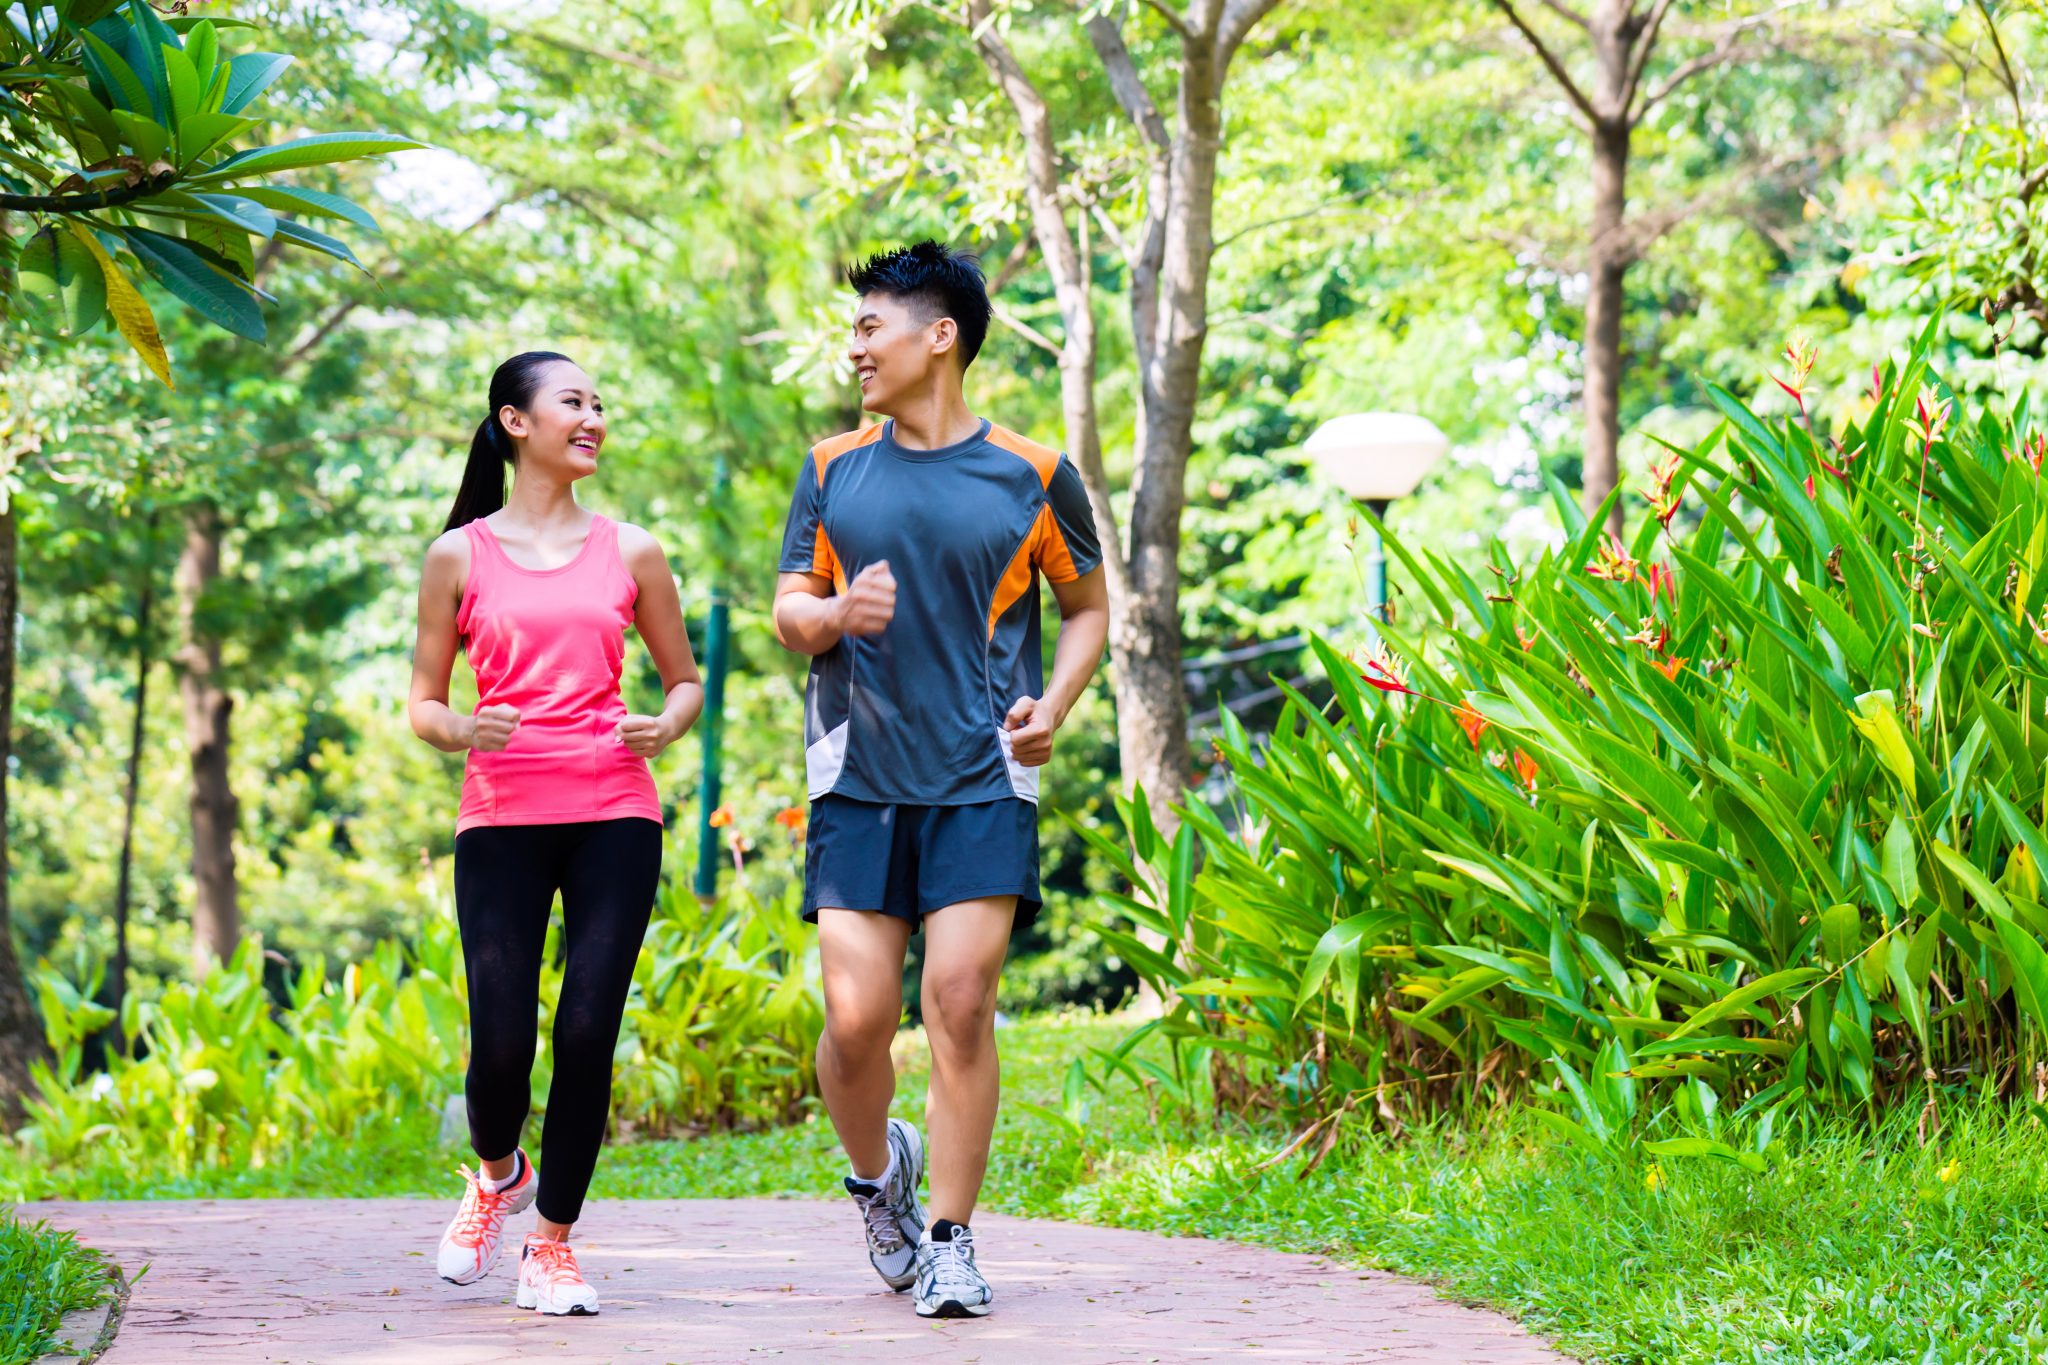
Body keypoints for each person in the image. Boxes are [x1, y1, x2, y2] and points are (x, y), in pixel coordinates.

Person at [773, 241, 1110, 1318]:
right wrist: (834, 616)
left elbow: (1088, 610)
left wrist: (1050, 707)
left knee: (958, 1002)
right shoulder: (831, 468)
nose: (855, 345)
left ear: (940, 337)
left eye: (871, 326)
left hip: (981, 774)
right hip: (858, 776)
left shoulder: (1034, 473)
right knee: (857, 1019)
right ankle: (880, 1183)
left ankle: (953, 1239)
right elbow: (790, 610)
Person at [408, 351, 703, 1317]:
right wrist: (464, 727)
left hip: (616, 810)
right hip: (501, 817)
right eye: (572, 402)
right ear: (515, 422)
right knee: (500, 1040)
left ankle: (554, 1243)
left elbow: (684, 678)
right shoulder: (459, 554)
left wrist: (666, 723)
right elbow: (423, 702)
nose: (593, 418)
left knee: (586, 1030)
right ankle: (498, 1174)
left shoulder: (634, 550)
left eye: (598, 403)